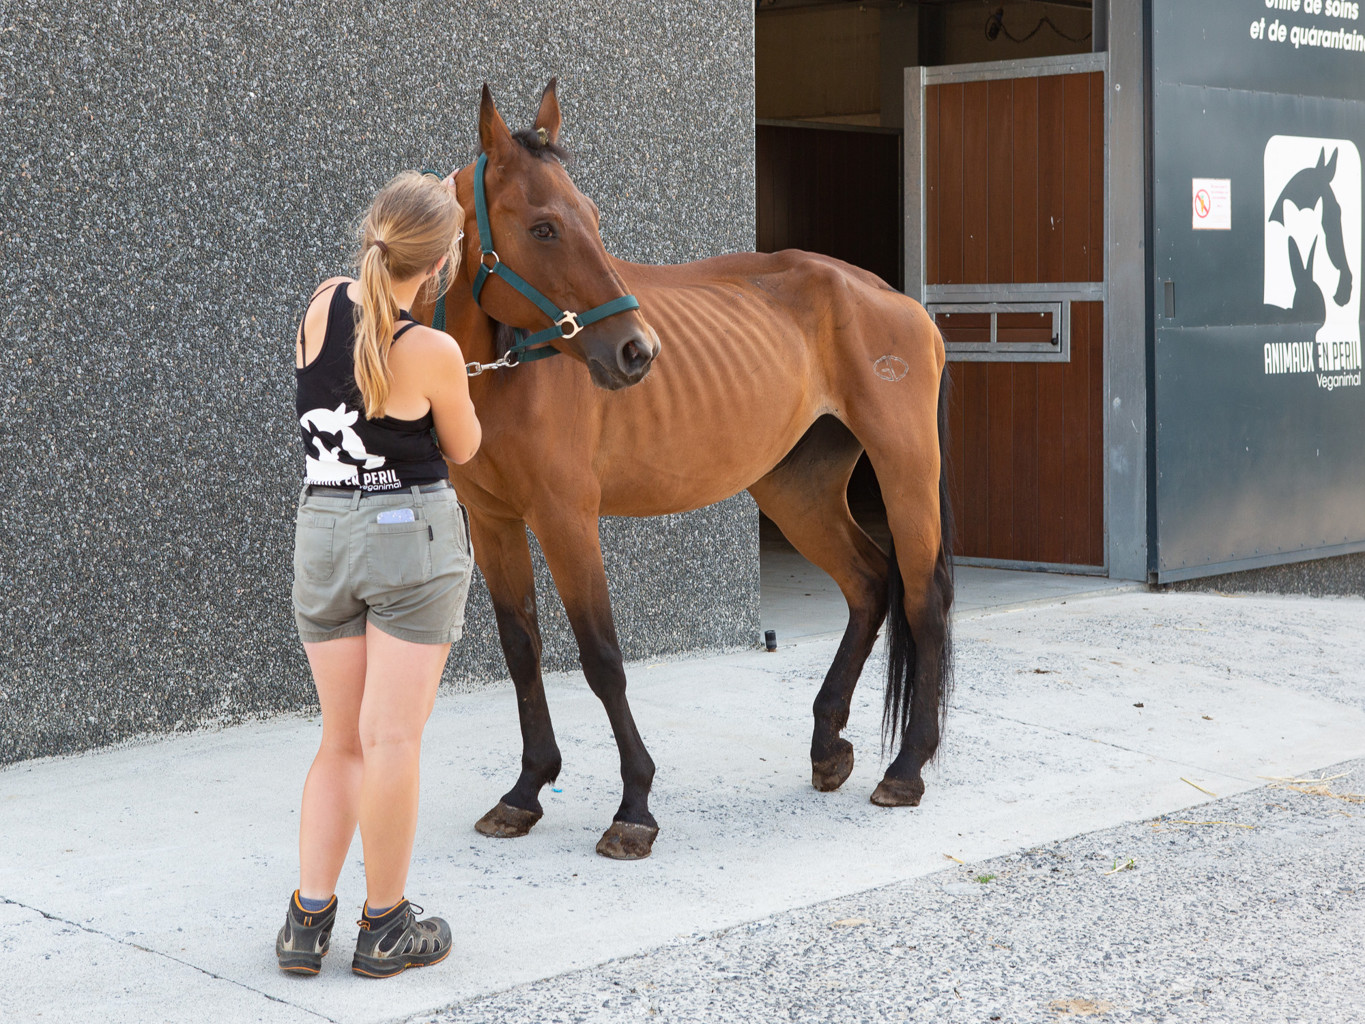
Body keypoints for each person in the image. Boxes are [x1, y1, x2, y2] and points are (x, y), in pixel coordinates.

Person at [275, 170, 481, 979]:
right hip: (407, 536)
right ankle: (386, 925)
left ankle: (306, 922)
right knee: (391, 738)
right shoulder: (432, 349)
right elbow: (463, 448)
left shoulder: (321, 302)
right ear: (438, 266)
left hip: (322, 530)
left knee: (340, 740)